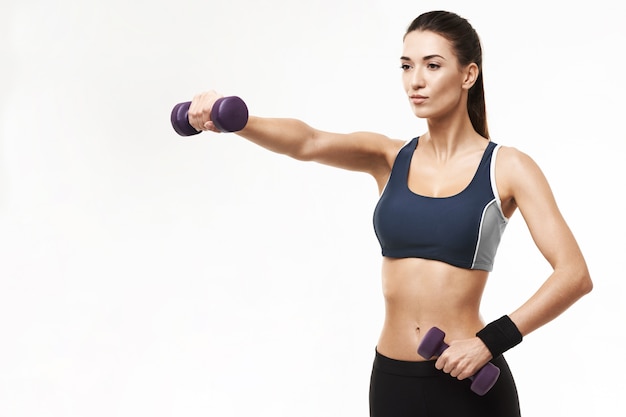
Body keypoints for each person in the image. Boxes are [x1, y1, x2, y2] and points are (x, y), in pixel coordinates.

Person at [186, 10, 592, 417]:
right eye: (406, 66)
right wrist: (235, 120)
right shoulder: (389, 157)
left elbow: (573, 274)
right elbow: (307, 141)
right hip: (393, 380)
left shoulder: (507, 167)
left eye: (432, 65)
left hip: (470, 381)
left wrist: (490, 341)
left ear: (468, 75)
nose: (415, 80)